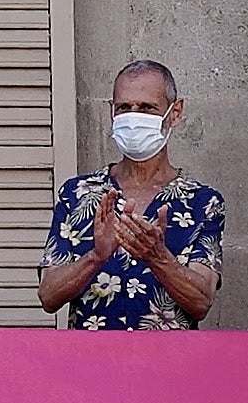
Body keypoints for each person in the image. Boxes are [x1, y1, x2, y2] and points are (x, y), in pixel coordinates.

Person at [39, 60, 225, 330]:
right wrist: (96, 256)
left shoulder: (203, 203)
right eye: (124, 107)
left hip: (168, 366)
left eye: (147, 108)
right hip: (91, 364)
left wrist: (157, 256)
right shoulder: (77, 194)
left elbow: (201, 301)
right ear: (111, 112)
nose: (134, 117)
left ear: (175, 113)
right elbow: (48, 295)